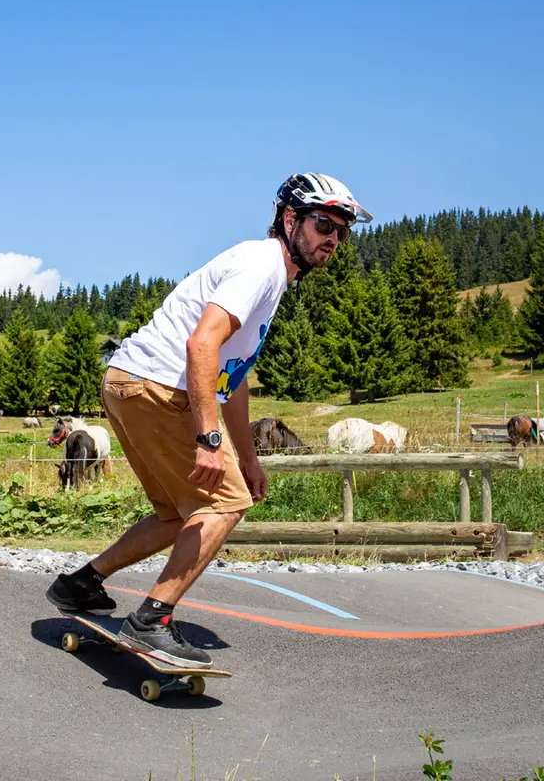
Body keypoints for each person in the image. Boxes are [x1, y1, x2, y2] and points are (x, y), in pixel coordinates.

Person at [45, 173, 370, 667]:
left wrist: (250, 456)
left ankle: (80, 584)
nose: (333, 239)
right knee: (226, 501)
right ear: (289, 220)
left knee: (177, 514)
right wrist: (210, 439)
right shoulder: (263, 265)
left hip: (128, 383)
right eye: (323, 224)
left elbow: (232, 378)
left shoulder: (273, 277)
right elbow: (202, 346)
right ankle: (152, 620)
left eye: (341, 232)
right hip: (158, 386)